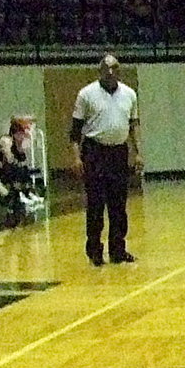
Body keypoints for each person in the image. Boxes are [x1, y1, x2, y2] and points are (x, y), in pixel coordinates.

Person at [70, 53, 143, 266]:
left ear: (119, 71)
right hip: (94, 152)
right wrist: (76, 158)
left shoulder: (129, 94)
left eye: (114, 68)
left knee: (118, 205)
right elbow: (75, 131)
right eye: (106, 68)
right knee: (95, 204)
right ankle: (94, 250)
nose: (110, 72)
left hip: (119, 153)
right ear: (100, 71)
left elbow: (134, 125)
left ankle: (118, 249)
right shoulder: (86, 94)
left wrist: (138, 151)